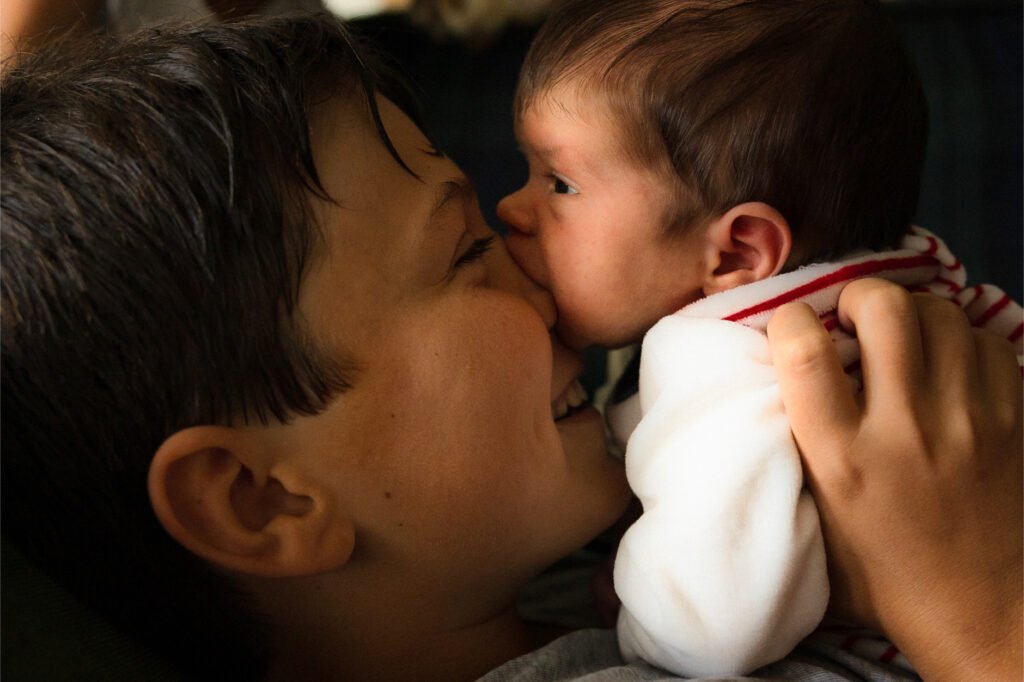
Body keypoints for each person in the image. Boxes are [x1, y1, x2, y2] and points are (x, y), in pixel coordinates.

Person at [1, 13, 1020, 682]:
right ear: (264, 500)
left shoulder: (561, 573)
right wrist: (979, 620)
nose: (540, 273)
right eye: (467, 254)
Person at [495, 0, 1024, 676]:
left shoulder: (720, 358)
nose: (512, 208)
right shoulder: (924, 275)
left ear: (740, 252)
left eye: (559, 182)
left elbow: (708, 627)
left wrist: (634, 615)